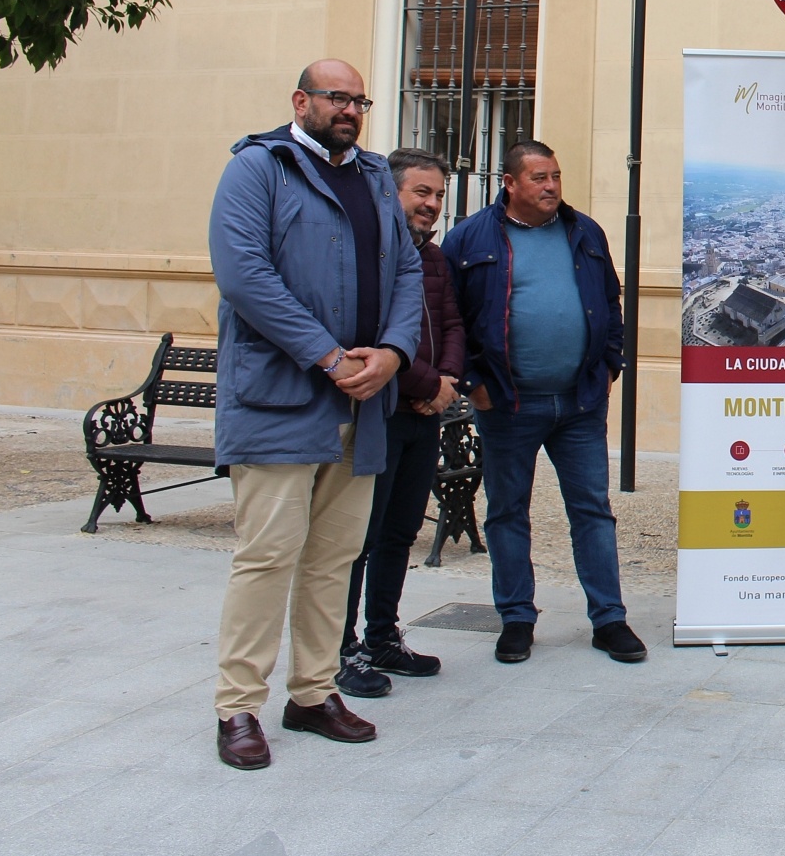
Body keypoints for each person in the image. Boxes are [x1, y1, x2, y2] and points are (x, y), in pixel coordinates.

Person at [206, 60, 423, 770]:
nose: (351, 110)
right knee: (267, 556)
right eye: (338, 97)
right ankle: (238, 705)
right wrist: (329, 357)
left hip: (364, 403)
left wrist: (391, 352)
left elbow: (408, 272)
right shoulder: (257, 168)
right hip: (281, 398)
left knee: (333, 558)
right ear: (301, 101)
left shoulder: (370, 179)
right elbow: (244, 275)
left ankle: (312, 691)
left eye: (360, 99)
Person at [443, 140, 643, 666]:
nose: (551, 186)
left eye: (555, 175)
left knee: (593, 512)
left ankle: (609, 619)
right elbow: (446, 318)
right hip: (507, 404)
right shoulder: (471, 238)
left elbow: (611, 303)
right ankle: (516, 619)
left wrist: (609, 365)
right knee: (508, 513)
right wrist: (471, 382)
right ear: (509, 183)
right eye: (538, 177)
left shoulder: (585, 232)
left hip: (579, 403)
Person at [336, 149, 467, 698]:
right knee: (354, 539)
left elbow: (454, 323)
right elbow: (371, 338)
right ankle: (339, 650)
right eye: (422, 193)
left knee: (399, 533)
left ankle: (383, 635)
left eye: (438, 195)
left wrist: (447, 383)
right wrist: (425, 385)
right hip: (378, 415)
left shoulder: (433, 258)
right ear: (392, 193)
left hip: (423, 416)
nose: (433, 205)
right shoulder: (371, 253)